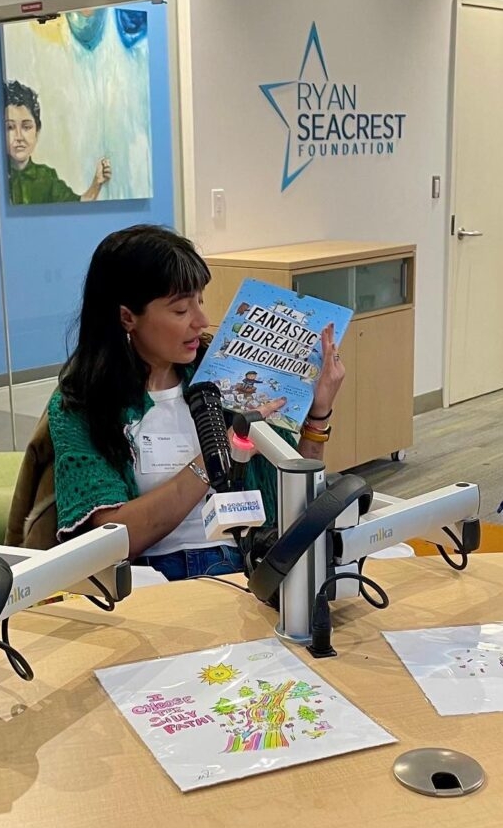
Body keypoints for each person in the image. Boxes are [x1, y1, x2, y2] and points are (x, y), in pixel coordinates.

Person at [47, 225, 345, 580]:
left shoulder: (222, 377)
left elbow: (295, 500)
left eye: (200, 301)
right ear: (128, 317)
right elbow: (110, 538)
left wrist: (318, 411)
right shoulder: (83, 404)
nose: (201, 321)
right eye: (180, 311)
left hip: (245, 564)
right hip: (148, 579)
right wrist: (216, 453)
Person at [4, 80, 111, 204]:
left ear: (37, 132)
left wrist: (97, 183)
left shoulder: (46, 178)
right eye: (10, 127)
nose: (19, 136)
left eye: (26, 127)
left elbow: (77, 204)